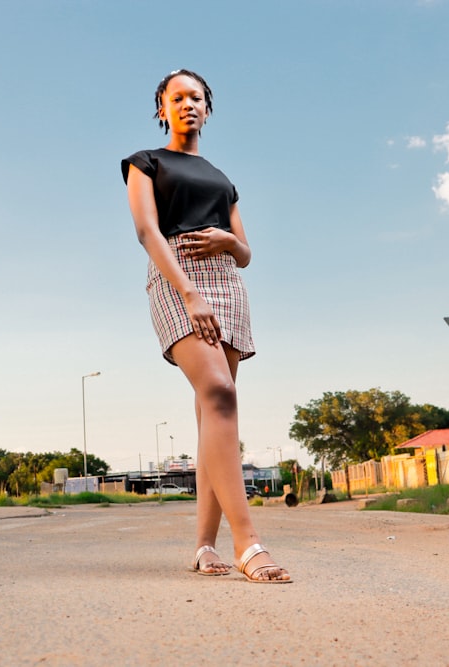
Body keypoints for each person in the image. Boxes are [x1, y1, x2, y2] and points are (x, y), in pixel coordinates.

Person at [121, 69, 291, 584]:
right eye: (177, 97)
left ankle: (203, 547)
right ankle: (249, 543)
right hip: (178, 279)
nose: (188, 104)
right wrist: (189, 292)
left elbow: (246, 253)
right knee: (219, 393)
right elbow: (147, 231)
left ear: (208, 109)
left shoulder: (224, 179)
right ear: (161, 108)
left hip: (226, 284)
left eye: (196, 97)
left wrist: (226, 241)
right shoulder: (145, 162)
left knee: (212, 414)